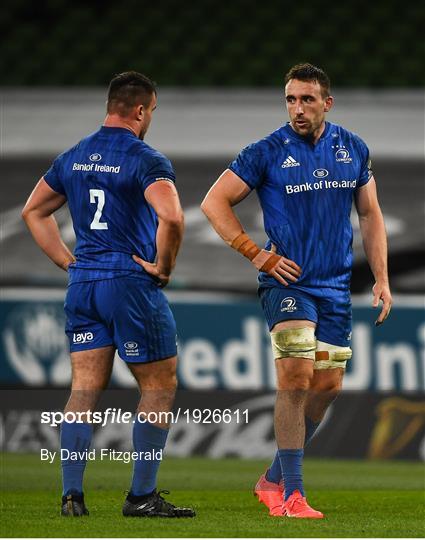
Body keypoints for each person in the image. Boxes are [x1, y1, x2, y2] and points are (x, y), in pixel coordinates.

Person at [201, 63, 392, 519]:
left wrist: (382, 278)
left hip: (336, 286)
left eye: (307, 99)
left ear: (327, 102)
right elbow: (214, 201)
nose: (297, 108)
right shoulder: (266, 151)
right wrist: (256, 253)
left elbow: (370, 215)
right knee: (295, 376)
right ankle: (293, 495)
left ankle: (271, 479)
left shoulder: (353, 148)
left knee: (326, 385)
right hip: (287, 283)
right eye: (290, 99)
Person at [22, 71, 195, 518]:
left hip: (84, 283)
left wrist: (66, 261)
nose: (150, 118)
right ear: (140, 110)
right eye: (152, 111)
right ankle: (141, 497)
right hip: (130, 282)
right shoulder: (145, 158)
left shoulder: (74, 156)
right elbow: (173, 219)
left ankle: (72, 494)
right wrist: (165, 266)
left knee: (83, 389)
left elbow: (33, 211)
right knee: (158, 387)